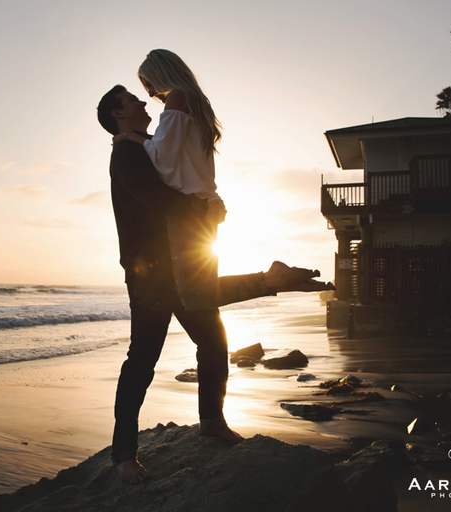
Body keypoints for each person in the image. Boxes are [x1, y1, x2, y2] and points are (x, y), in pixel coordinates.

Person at [97, 84, 332, 484]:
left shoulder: (149, 147)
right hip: (150, 273)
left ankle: (211, 420)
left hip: (182, 259)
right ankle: (123, 454)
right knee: (142, 361)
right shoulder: (126, 154)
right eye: (131, 100)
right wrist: (204, 209)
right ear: (118, 114)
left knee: (213, 340)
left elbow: (180, 175)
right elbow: (158, 199)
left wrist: (205, 209)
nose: (141, 101)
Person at [113, 49, 225, 311]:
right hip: (205, 203)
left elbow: (163, 160)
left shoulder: (178, 97)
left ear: (160, 74)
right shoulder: (198, 103)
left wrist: (132, 137)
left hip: (190, 208)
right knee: (200, 296)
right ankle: (270, 280)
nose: (151, 93)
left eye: (149, 84)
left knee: (195, 296)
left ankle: (271, 279)